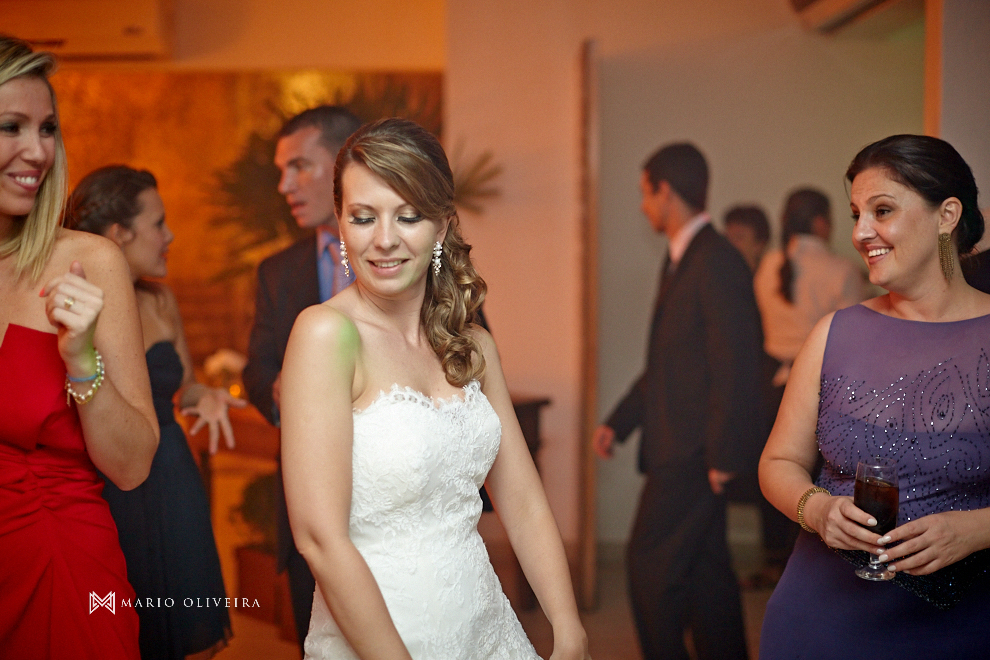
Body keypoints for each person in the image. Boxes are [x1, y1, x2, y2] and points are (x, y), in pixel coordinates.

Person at [280, 118, 590, 660]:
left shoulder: (472, 346)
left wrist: (568, 628)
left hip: (484, 625)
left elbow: (520, 497)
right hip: (379, 639)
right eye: (363, 217)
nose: (384, 239)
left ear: (442, 227)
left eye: (408, 215)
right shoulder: (325, 335)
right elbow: (319, 539)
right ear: (341, 225)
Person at [759, 134, 990, 659]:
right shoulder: (833, 334)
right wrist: (817, 510)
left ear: (947, 214)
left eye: (882, 210)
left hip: (960, 627)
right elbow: (778, 461)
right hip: (822, 622)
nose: (862, 232)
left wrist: (976, 529)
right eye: (856, 214)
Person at [0, 35, 158, 659]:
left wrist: (81, 359)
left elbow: (131, 466)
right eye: (10, 127)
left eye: (47, 128)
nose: (36, 151)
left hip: (59, 562)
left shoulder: (89, 262)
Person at [593, 143, 761, 660]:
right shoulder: (683, 259)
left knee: (648, 569)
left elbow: (737, 366)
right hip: (684, 448)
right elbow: (672, 365)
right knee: (708, 575)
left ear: (665, 191)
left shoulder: (715, 260)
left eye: (645, 193)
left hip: (692, 456)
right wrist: (620, 421)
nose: (643, 206)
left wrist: (724, 456)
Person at [66, 165, 240, 659]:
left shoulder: (162, 301)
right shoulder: (73, 303)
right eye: (158, 223)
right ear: (119, 233)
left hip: (172, 475)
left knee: (193, 630)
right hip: (106, 483)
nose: (171, 235)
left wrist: (202, 394)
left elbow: (177, 384)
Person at [242, 105, 361, 651]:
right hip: (309, 498)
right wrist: (283, 389)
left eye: (300, 167)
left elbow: (467, 352)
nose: (286, 185)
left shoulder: (416, 253)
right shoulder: (277, 270)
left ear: (343, 164)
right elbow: (258, 364)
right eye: (281, 171)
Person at [750, 188, 866, 579]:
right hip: (821, 388)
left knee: (776, 472)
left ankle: (773, 562)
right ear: (821, 222)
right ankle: (808, 562)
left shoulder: (768, 266)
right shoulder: (841, 270)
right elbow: (855, 338)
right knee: (813, 476)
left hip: (770, 382)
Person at [723, 204, 770, 274]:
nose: (730, 243)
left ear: (759, 245)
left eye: (738, 238)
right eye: (727, 238)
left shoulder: (770, 282)